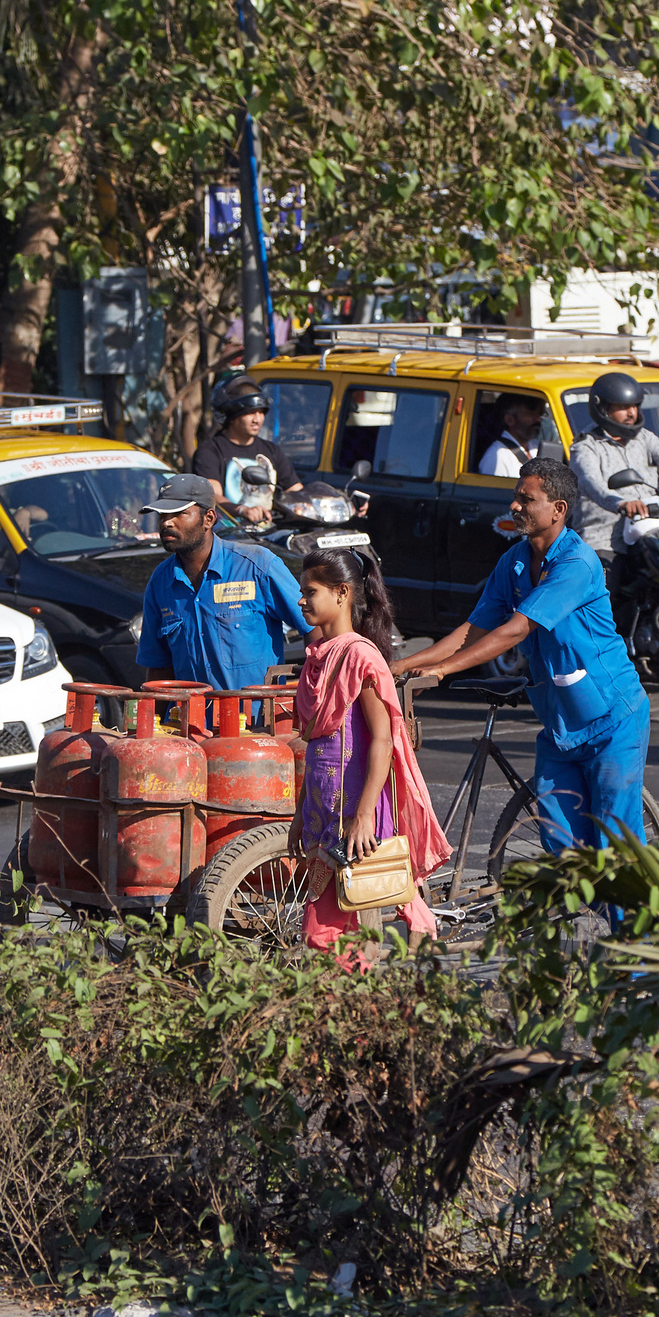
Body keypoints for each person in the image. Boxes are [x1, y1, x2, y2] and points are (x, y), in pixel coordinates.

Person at [391, 458, 651, 851]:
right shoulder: (513, 561)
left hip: (612, 721)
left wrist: (443, 672)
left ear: (557, 510)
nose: (515, 507)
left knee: (615, 848)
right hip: (560, 727)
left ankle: (629, 915)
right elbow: (473, 629)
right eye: (515, 497)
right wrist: (410, 665)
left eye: (526, 500)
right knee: (559, 841)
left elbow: (514, 630)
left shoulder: (577, 563)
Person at [289, 548, 449, 964]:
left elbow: (382, 740)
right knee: (337, 917)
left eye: (311, 591)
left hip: (356, 809)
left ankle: (349, 1011)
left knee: (330, 928)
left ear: (342, 593)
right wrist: (299, 813)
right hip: (324, 808)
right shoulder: (316, 660)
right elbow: (317, 749)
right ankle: (417, 923)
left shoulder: (361, 656)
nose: (301, 600)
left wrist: (363, 816)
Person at [134, 473, 309, 691]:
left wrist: (314, 695)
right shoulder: (160, 582)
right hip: (191, 722)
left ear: (208, 518)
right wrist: (157, 722)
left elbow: (313, 626)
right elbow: (159, 668)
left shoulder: (257, 566)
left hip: (257, 721)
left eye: (178, 513)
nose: (167, 522)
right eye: (162, 515)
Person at [570, 371, 659, 560]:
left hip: (650, 530)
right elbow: (591, 483)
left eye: (634, 406)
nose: (632, 413)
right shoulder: (585, 447)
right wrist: (621, 503)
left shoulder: (644, 438)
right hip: (606, 538)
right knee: (605, 583)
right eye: (623, 407)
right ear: (603, 408)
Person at [188, 377, 306, 524]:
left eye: (261, 412)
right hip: (233, 533)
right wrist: (243, 510)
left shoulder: (271, 450)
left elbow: (295, 491)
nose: (258, 419)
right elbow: (212, 496)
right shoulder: (210, 451)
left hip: (273, 531)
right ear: (232, 415)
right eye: (250, 412)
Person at [476, 394, 545, 478]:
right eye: (530, 414)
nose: (538, 419)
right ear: (510, 420)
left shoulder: (536, 446)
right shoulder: (497, 457)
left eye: (540, 414)